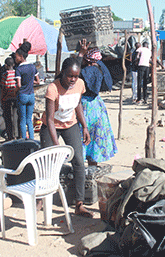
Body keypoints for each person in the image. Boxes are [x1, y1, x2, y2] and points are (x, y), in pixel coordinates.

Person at [39, 57, 93, 218]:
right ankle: (42, 199)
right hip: (51, 127)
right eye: (70, 76)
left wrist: (84, 126)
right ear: (63, 73)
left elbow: (78, 105)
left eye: (76, 76)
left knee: (78, 161)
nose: (73, 80)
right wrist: (57, 145)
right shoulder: (52, 88)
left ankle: (79, 203)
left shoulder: (80, 84)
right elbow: (49, 119)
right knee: (48, 163)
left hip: (70, 125)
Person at [77, 42, 117, 166]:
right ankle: (93, 165)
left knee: (83, 135)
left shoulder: (85, 72)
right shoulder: (100, 68)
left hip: (85, 107)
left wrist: (80, 54)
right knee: (95, 137)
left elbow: (74, 71)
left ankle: (83, 168)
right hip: (97, 106)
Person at [15, 41, 40, 140]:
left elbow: (19, 84)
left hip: (22, 95)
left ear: (21, 56)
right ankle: (32, 139)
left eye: (16, 56)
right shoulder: (33, 67)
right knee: (29, 120)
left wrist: (15, 90)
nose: (16, 58)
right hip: (31, 95)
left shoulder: (19, 69)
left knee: (22, 119)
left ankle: (24, 139)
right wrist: (30, 82)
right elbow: (38, 81)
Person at [0, 57, 17, 141]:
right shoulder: (17, 73)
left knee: (8, 118)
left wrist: (2, 99)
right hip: (16, 98)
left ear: (6, 65)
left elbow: (3, 87)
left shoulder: (4, 75)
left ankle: (10, 136)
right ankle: (17, 135)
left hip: (7, 98)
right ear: (13, 64)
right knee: (16, 117)